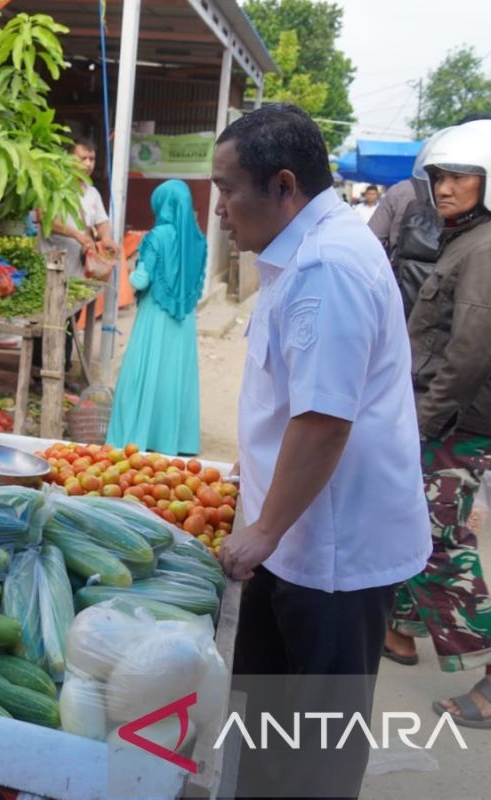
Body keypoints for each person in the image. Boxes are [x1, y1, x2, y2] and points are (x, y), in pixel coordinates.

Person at [211, 103, 430, 797]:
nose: (218, 209)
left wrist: (266, 528)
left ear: (282, 185)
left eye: (226, 189)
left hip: (331, 552)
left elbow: (324, 422)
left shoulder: (327, 265)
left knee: (314, 751)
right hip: (299, 540)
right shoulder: (305, 250)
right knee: (266, 722)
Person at [385, 119, 491, 728]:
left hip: (455, 420)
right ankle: (397, 634)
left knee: (437, 542)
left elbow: (469, 352)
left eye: (460, 177)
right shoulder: (464, 239)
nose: (445, 188)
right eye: (439, 176)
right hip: (441, 412)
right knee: (411, 519)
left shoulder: (482, 249)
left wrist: (423, 423)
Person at [105, 179, 205, 454]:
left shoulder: (157, 236)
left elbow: (140, 281)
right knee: (174, 377)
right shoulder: (197, 239)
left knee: (142, 375)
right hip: (183, 320)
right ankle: (175, 442)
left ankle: (135, 436)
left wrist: (123, 265)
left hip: (154, 315)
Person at [40, 138, 120, 279]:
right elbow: (44, 218)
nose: (88, 164)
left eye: (92, 159)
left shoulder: (92, 192)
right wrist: (77, 235)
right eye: (83, 159)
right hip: (52, 265)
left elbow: (102, 222)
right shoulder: (51, 186)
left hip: (79, 269)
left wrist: (106, 238)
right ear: (68, 159)